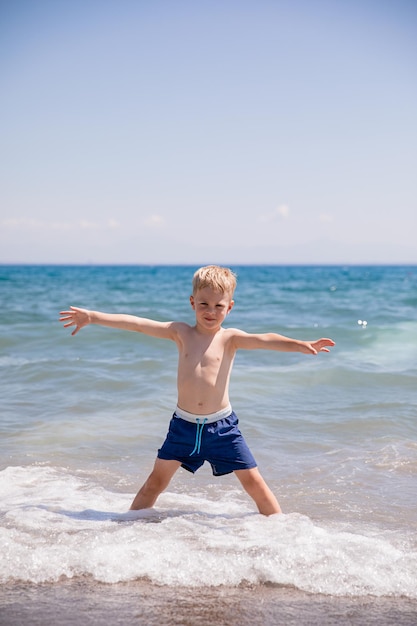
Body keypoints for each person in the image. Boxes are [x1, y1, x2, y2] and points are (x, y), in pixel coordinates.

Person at [60, 265, 334, 516]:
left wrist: (300, 344)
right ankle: (128, 527)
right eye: (203, 303)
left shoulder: (230, 338)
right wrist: (93, 316)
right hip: (183, 427)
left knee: (254, 483)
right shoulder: (180, 332)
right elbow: (137, 324)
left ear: (230, 307)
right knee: (154, 483)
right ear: (192, 302)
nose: (210, 311)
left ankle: (283, 533)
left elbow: (265, 339)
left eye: (218, 305)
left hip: (223, 428)